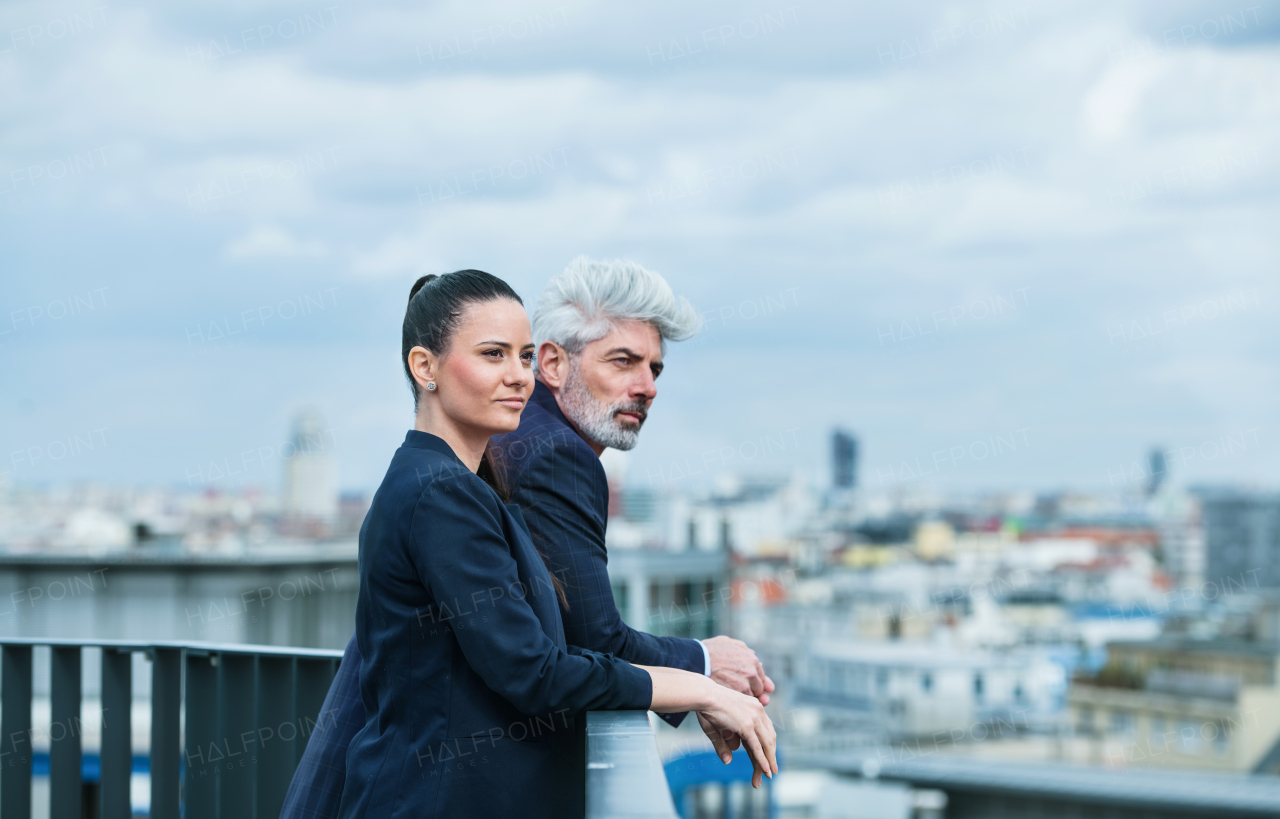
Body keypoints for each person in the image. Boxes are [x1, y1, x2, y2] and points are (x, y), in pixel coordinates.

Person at [283, 260, 775, 819]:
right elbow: (538, 671)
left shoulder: (453, 481)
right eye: (494, 354)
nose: (519, 375)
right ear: (426, 367)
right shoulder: (444, 492)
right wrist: (702, 686)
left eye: (521, 356)